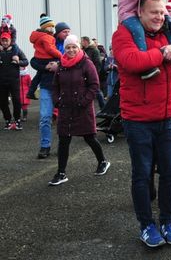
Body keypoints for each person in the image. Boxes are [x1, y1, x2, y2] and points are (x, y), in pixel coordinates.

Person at [112, 0, 171, 248]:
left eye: (162, 13)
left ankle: (168, 222)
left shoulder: (168, 34)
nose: (159, 17)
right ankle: (147, 226)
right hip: (138, 120)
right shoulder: (124, 34)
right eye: (154, 12)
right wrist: (164, 52)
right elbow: (132, 61)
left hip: (165, 118)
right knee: (142, 175)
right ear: (140, 12)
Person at [48, 35, 111, 186]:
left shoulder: (86, 64)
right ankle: (61, 173)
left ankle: (102, 161)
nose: (71, 50)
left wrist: (83, 101)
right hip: (65, 109)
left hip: (82, 108)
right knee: (64, 140)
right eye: (68, 47)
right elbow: (55, 86)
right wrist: (57, 101)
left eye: (74, 47)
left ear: (79, 47)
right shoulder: (61, 65)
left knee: (89, 137)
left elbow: (94, 85)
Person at [29, 15, 62, 159]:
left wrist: (59, 64)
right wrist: (47, 67)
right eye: (64, 31)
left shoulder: (67, 43)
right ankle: (45, 146)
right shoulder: (48, 40)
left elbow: (73, 60)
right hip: (47, 86)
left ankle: (63, 145)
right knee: (45, 117)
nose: (66, 33)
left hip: (63, 86)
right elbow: (33, 61)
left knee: (65, 118)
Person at [27, 14, 62, 101]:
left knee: (38, 75)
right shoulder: (47, 37)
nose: (52, 28)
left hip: (39, 58)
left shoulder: (38, 36)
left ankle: (30, 91)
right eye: (50, 26)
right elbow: (50, 49)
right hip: (47, 58)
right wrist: (61, 55)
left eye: (53, 26)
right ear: (44, 27)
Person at [0, 32, 28, 130]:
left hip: (14, 81)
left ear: (10, 41)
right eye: (3, 40)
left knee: (17, 101)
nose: (5, 42)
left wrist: (18, 61)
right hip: (2, 82)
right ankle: (7, 120)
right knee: (2, 102)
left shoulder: (16, 51)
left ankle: (17, 121)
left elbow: (26, 61)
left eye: (6, 40)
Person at [81, 36, 105, 109]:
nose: (81, 42)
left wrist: (95, 73)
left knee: (96, 90)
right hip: (84, 74)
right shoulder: (83, 50)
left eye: (82, 41)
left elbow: (98, 63)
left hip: (92, 73)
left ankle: (103, 107)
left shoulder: (94, 50)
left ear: (86, 41)